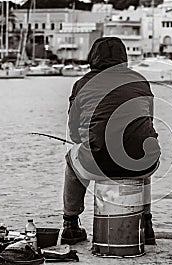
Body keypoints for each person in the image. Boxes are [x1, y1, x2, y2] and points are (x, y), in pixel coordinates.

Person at [61, 37, 161, 245]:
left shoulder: (82, 84)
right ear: (123, 57)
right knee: (144, 150)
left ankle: (70, 224)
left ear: (93, 57)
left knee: (71, 160)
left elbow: (74, 134)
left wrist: (87, 141)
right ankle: (146, 223)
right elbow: (148, 123)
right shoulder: (140, 81)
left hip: (98, 163)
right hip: (141, 164)